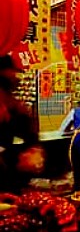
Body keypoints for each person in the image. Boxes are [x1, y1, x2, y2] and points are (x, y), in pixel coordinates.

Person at [0, 54, 44, 193]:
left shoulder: (10, 100)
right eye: (12, 72)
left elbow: (23, 122)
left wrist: (34, 147)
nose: (16, 76)